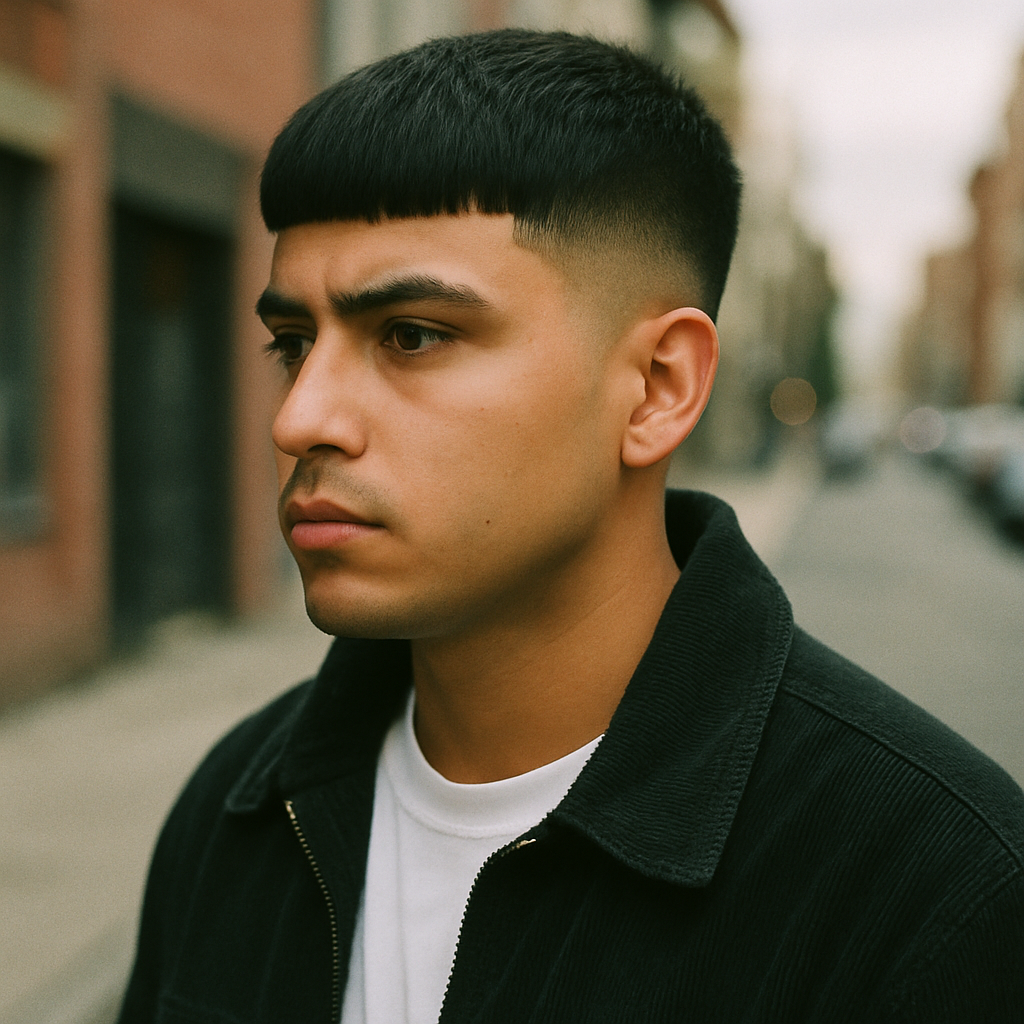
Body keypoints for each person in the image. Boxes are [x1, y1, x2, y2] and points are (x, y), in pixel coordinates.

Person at [117, 29, 1024, 1024]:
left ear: (656, 388)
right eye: (292, 344)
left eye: (411, 335)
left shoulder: (936, 896)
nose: (299, 419)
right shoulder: (238, 809)